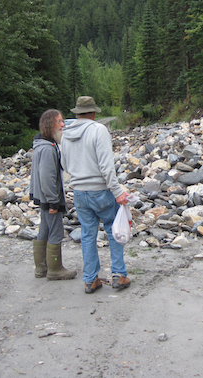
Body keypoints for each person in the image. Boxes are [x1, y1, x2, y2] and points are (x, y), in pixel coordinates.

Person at [60, 96, 131, 294]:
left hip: (79, 192)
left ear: (77, 113)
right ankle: (118, 275)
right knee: (113, 230)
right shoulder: (98, 130)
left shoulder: (65, 134)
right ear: (93, 113)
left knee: (88, 234)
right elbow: (106, 166)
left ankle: (90, 280)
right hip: (100, 190)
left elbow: (64, 165)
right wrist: (118, 192)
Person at [29, 109, 77, 281]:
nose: (63, 125)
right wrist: (54, 203)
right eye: (59, 121)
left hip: (42, 198)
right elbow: (47, 178)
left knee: (44, 230)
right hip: (49, 199)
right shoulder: (48, 149)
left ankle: (41, 268)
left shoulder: (40, 145)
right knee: (56, 231)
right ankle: (55, 269)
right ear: (50, 125)